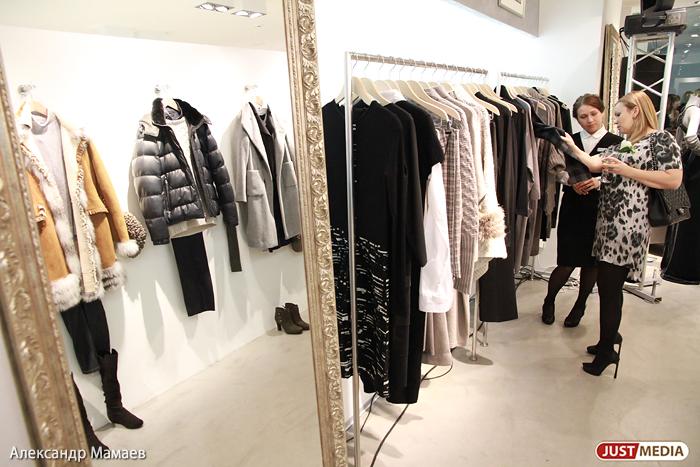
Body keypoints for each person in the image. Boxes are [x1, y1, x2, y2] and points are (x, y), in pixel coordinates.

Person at [561, 91, 683, 377]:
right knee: (609, 289)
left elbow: (673, 179)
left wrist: (628, 171)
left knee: (608, 290)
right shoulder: (627, 143)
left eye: (618, 114)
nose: (614, 120)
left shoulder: (660, 139)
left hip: (627, 228)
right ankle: (608, 339)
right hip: (608, 225)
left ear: (635, 111)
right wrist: (569, 145)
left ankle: (607, 351)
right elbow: (595, 165)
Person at [541, 94, 623, 327]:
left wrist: (599, 182)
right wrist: (569, 181)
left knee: (591, 263)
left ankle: (580, 305)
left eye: (593, 114)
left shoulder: (616, 142)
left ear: (602, 112)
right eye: (583, 116)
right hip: (573, 206)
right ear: (576, 119)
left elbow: (623, 176)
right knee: (566, 261)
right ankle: (549, 300)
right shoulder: (570, 140)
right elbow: (554, 169)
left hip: (602, 209)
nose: (589, 120)